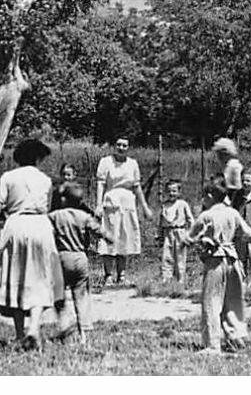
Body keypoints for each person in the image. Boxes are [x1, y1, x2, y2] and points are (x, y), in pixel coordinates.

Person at [0, 138, 67, 349]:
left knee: (16, 276)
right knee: (41, 277)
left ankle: (19, 333)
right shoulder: (45, 180)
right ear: (36, 157)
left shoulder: (8, 177)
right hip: (41, 226)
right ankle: (34, 328)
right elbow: (48, 208)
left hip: (16, 226)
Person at [188, 182, 251, 354]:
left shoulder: (207, 215)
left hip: (215, 261)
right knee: (233, 300)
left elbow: (190, 236)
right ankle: (236, 337)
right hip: (233, 261)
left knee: (211, 302)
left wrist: (193, 240)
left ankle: (212, 344)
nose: (203, 200)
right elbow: (249, 234)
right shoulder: (233, 213)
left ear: (211, 196)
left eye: (204, 196)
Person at [47, 184, 104, 344]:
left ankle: (64, 320)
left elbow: (44, 229)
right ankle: (83, 334)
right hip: (80, 258)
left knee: (58, 292)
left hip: (61, 257)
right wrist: (110, 238)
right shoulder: (83, 216)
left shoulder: (55, 215)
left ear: (63, 199)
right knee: (81, 295)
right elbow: (99, 230)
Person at [94, 135, 151, 284]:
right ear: (114, 146)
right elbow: (100, 184)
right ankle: (108, 275)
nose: (121, 148)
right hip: (111, 202)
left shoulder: (132, 164)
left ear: (128, 147)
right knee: (110, 237)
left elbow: (137, 187)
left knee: (125, 238)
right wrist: (99, 205)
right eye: (119, 144)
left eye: (125, 145)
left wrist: (144, 207)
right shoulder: (106, 162)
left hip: (128, 203)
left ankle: (122, 275)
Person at [157, 178, 195, 282]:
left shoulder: (182, 204)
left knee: (180, 256)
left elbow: (190, 220)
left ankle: (180, 280)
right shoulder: (164, 205)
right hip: (167, 233)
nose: (171, 193)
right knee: (167, 256)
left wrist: (191, 234)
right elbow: (160, 222)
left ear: (179, 192)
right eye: (169, 191)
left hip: (180, 232)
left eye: (174, 191)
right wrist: (159, 235)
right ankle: (166, 279)